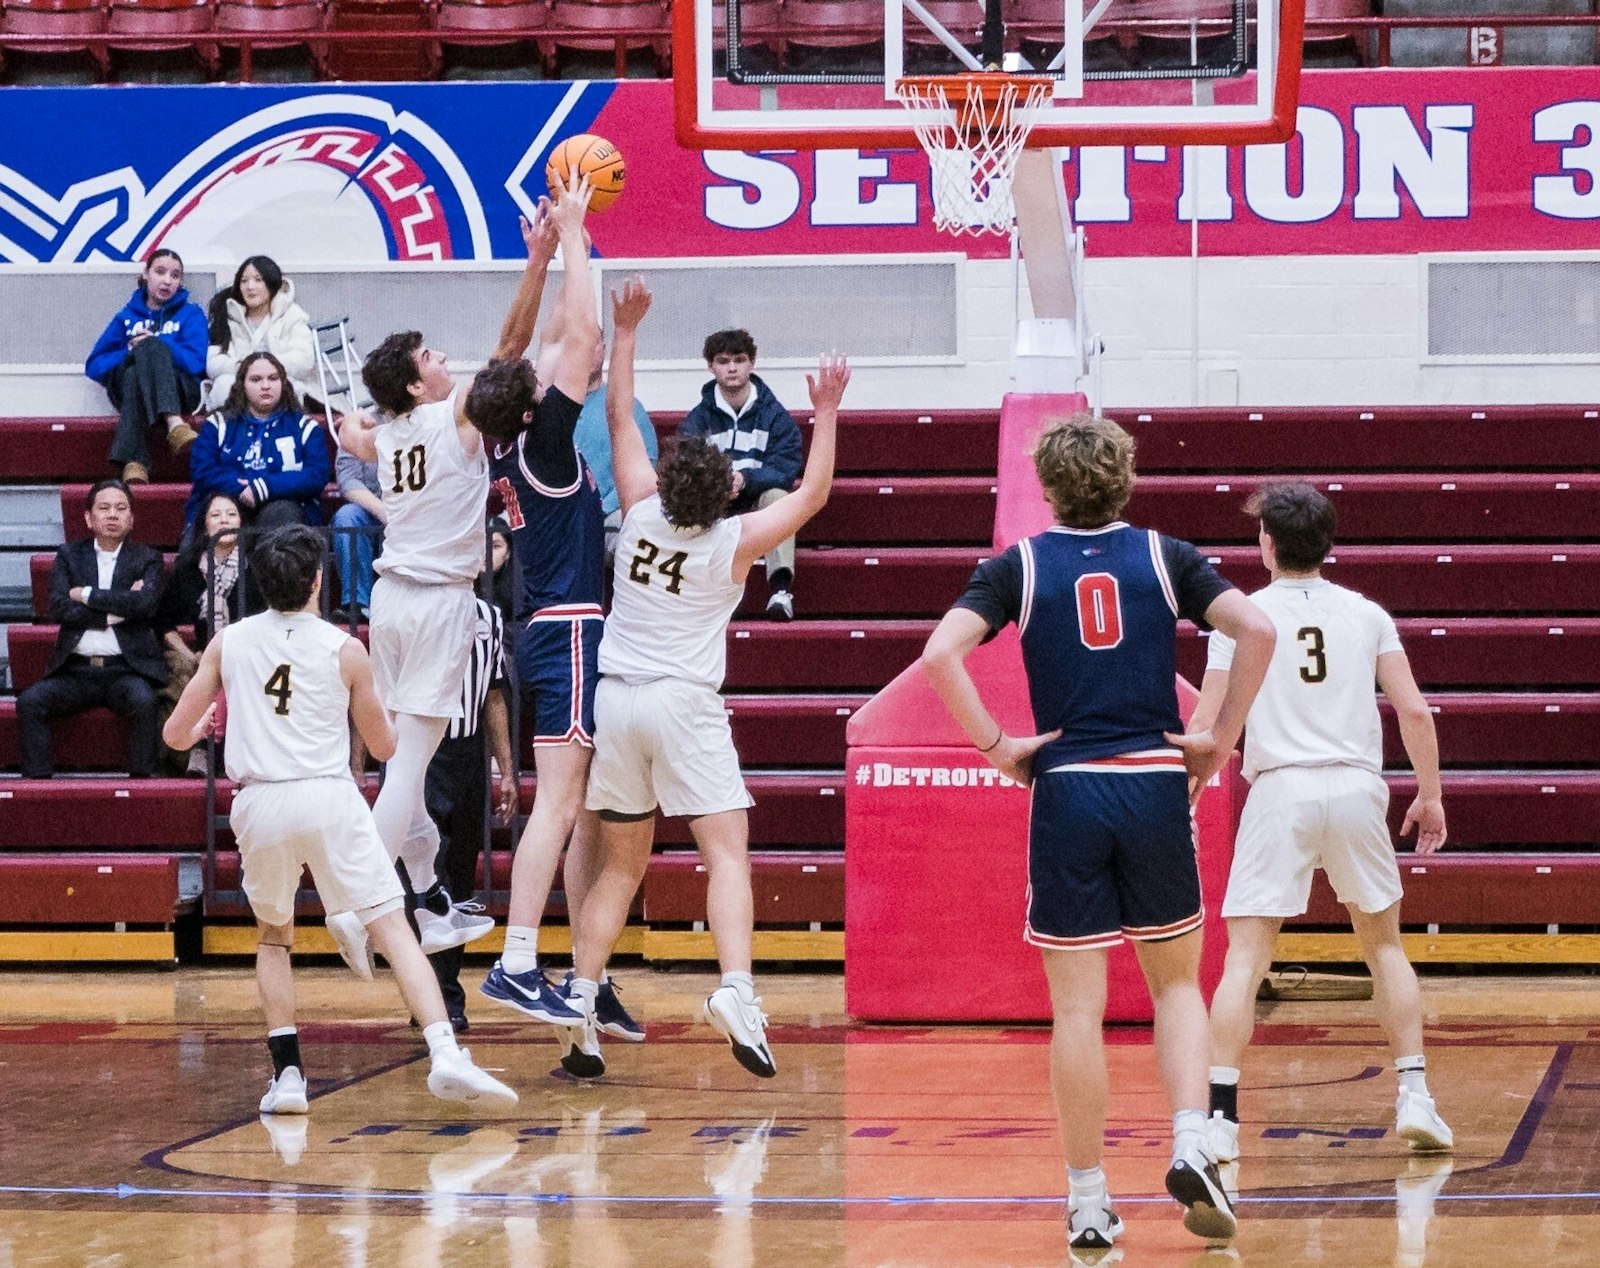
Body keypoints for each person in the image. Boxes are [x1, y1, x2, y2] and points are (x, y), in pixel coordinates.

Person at [918, 414, 1277, 1252]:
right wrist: (1220, 737)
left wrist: (998, 747)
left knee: (1076, 1013)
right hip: (1153, 781)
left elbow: (940, 654)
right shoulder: (1165, 554)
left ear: (1047, 485)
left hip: (1069, 787)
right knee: (1176, 987)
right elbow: (1256, 629)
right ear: (1126, 479)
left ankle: (1086, 1202)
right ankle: (1193, 1143)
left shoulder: (1022, 564)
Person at [568, 276, 851, 1080]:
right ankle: (734, 987)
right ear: (723, 489)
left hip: (616, 699)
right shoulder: (735, 542)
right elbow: (815, 491)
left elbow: (619, 415)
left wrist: (625, 332)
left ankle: (582, 1004)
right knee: (726, 855)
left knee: (621, 866)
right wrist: (824, 411)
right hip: (683, 704)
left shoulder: (638, 503)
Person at [324, 186, 587, 987]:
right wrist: (540, 259)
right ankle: (355, 899)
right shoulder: (445, 421)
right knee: (409, 766)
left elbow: (356, 436)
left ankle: (432, 897)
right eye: (431, 357)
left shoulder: (389, 432)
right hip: (437, 602)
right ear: (414, 387)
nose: (446, 360)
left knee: (405, 754)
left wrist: (353, 428)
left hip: (391, 602)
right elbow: (511, 344)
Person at [161, 524, 517, 1114]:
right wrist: (414, 718)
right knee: (394, 928)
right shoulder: (346, 648)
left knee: (274, 938)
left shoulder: (230, 643)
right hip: (329, 798)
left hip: (261, 802)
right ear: (318, 581)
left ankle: (290, 1077)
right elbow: (383, 748)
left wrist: (199, 729)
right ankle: (445, 1051)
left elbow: (175, 734)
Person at [1191, 482, 1453, 1168]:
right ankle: (1416, 1096)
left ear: (1268, 544)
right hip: (1358, 786)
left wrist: (1184, 795)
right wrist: (1429, 796)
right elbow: (1416, 713)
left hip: (1282, 789)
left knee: (1245, 957)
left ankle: (1219, 1121)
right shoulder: (1366, 614)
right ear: (1327, 543)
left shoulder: (1242, 618)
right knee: (1385, 948)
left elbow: (1211, 728)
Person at [465, 178, 619, 1045]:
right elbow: (582, 335)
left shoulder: (503, 435)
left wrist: (552, 252)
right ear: (535, 405)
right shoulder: (547, 441)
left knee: (580, 804)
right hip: (566, 629)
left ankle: (577, 971)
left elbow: (554, 338)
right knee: (559, 806)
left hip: (548, 631)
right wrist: (574, 235)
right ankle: (518, 960)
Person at [399, 596, 519, 1032]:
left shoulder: (490, 615)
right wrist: (360, 763)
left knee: (461, 879)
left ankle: (444, 991)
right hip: (420, 751)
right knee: (427, 879)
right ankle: (434, 996)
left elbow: (493, 695)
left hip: (468, 754)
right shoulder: (409, 608)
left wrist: (505, 770)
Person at [17, 480, 167, 779]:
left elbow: (145, 604)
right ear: (88, 518)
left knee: (144, 701)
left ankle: (141, 784)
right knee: (29, 702)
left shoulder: (148, 558)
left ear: (132, 518)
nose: (113, 515)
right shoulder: (70, 555)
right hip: (76, 671)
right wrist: (115, 613)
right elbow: (58, 607)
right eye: (104, 508)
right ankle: (38, 786)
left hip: (126, 669)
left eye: (121, 508)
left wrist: (86, 594)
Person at [678, 329, 803, 621]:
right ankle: (698, 596)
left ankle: (780, 591)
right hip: (715, 500)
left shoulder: (775, 415)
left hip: (757, 498)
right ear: (711, 366)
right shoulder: (697, 419)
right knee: (688, 500)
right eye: (723, 361)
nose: (732, 367)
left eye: (739, 359)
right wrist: (719, 483)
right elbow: (684, 465)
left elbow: (785, 468)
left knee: (778, 498)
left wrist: (745, 478)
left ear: (752, 364)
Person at [85, 249, 207, 485]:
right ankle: (174, 424)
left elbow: (196, 362)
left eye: (175, 275)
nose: (167, 280)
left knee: (142, 361)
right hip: (126, 389)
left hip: (181, 390)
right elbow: (95, 365)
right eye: (160, 272)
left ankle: (135, 461)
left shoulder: (191, 314)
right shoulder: (126, 317)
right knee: (135, 366)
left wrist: (159, 344)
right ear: (146, 274)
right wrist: (132, 351)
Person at [185, 351, 332, 535]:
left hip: (285, 511)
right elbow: (202, 470)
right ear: (242, 385)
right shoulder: (218, 424)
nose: (265, 386)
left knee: (281, 512)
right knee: (222, 512)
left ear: (283, 383)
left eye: (273, 378)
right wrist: (243, 488)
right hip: (230, 501)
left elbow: (316, 475)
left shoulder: (305, 427)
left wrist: (265, 487)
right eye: (256, 379)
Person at [157, 491, 249, 775]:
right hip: (206, 653)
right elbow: (163, 622)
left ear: (242, 522)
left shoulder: (256, 564)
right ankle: (198, 752)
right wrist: (191, 654)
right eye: (216, 515)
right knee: (203, 673)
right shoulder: (188, 567)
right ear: (204, 524)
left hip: (251, 648)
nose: (224, 520)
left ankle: (214, 752)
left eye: (231, 514)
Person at [205, 255, 318, 409]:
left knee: (291, 387)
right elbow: (213, 363)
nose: (250, 286)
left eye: (258, 280)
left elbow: (303, 360)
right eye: (244, 281)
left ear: (271, 284)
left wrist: (267, 370)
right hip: (241, 382)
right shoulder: (227, 317)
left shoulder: (292, 315)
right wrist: (246, 369)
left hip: (279, 379)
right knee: (224, 385)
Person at [330, 451, 384, 622]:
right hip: (371, 507)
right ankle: (357, 605)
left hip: (412, 508)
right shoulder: (357, 426)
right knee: (347, 517)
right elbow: (348, 479)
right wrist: (384, 512)